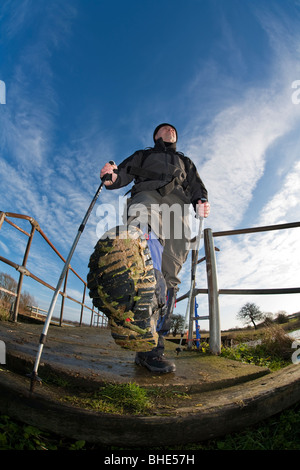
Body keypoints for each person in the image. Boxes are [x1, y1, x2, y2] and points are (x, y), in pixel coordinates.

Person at [91, 123, 210, 373]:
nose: (170, 131)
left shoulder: (184, 162)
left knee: (171, 276)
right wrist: (111, 177)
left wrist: (201, 200)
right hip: (147, 196)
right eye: (165, 129)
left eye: (173, 130)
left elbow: (197, 187)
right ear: (156, 136)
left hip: (178, 208)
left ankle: (154, 347)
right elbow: (120, 175)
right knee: (142, 241)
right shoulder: (142, 155)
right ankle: (141, 322)